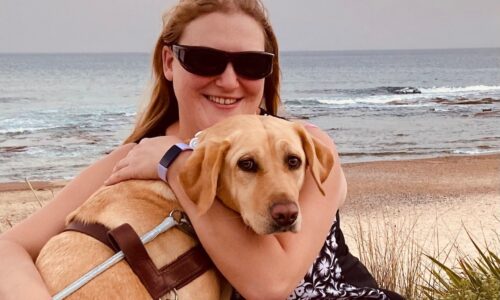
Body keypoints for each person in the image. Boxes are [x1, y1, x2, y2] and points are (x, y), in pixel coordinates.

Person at [0, 0, 403, 299]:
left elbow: (271, 283)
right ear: (170, 63)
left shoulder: (301, 148)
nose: (228, 81)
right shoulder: (133, 161)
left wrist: (175, 163)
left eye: (250, 64)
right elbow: (9, 247)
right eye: (206, 60)